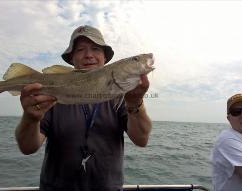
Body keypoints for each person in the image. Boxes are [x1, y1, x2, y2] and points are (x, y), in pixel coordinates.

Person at [15, 25, 152, 191]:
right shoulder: (50, 98)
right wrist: (30, 119)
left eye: (95, 49)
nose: (89, 55)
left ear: (104, 58)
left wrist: (135, 102)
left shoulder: (122, 96)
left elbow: (141, 140)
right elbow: (28, 147)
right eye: (80, 50)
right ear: (72, 58)